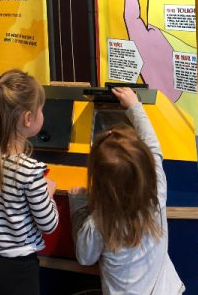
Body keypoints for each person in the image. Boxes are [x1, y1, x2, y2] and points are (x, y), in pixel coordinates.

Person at [68, 86, 185, 295]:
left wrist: (78, 205)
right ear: (144, 169)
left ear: (100, 183)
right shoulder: (156, 194)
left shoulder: (99, 222)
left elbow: (85, 257)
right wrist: (135, 106)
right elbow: (154, 147)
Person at [0, 69, 59, 295]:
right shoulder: (30, 171)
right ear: (28, 119)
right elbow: (49, 224)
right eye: (41, 109)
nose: (42, 114)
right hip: (18, 270)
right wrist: (48, 193)